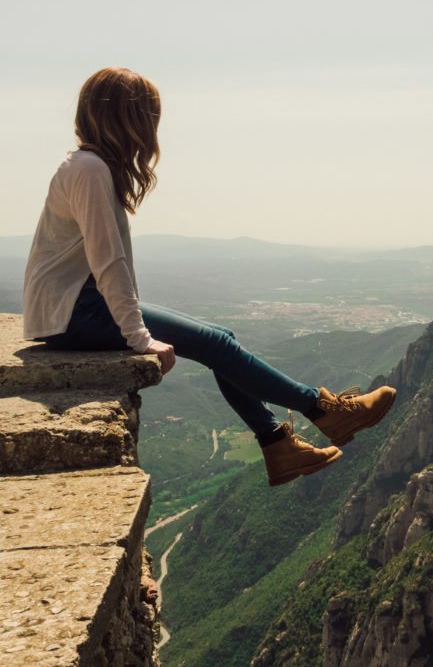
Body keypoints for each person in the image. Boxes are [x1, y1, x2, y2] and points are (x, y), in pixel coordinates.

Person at [22, 67, 396, 487]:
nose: (152, 128)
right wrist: (140, 337)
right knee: (217, 343)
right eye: (148, 116)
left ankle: (278, 445)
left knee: (222, 336)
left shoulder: (86, 166)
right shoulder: (90, 170)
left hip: (77, 308)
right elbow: (109, 263)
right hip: (77, 312)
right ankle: (322, 411)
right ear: (129, 119)